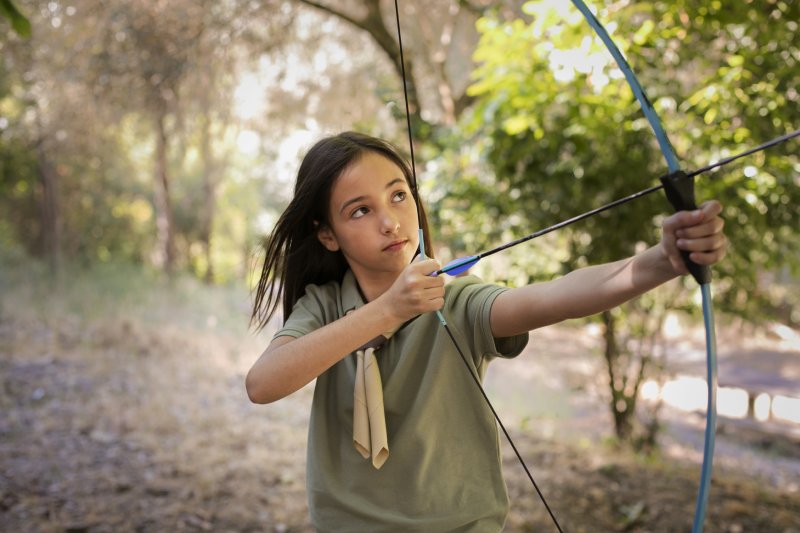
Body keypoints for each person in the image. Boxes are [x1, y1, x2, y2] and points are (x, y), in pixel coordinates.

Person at [246, 131, 728, 532]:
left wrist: (661, 261)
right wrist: (386, 312)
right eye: (360, 210)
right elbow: (263, 383)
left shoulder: (456, 302)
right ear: (327, 234)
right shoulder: (326, 307)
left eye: (398, 195)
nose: (391, 221)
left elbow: (552, 297)